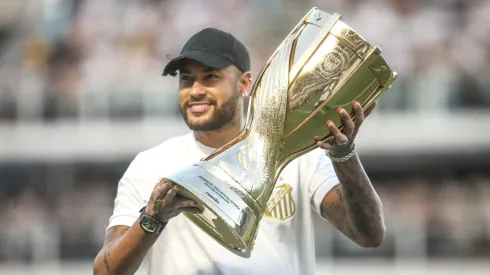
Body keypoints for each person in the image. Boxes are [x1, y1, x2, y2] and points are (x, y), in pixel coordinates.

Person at [93, 28, 386, 275]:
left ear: (245, 83)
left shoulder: (299, 155)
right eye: (186, 79)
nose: (194, 90)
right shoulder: (152, 165)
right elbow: (105, 271)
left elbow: (369, 234)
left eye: (210, 77)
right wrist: (152, 219)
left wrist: (343, 154)